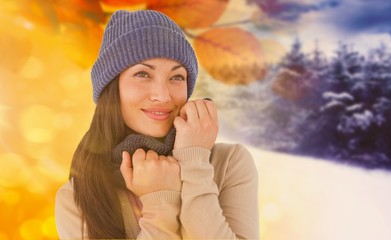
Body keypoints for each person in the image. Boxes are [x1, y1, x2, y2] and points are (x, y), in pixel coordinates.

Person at [55, 9, 259, 239]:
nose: (162, 96)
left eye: (177, 77)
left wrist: (194, 160)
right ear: (112, 88)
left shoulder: (228, 163)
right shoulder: (77, 198)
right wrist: (160, 205)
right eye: (143, 74)